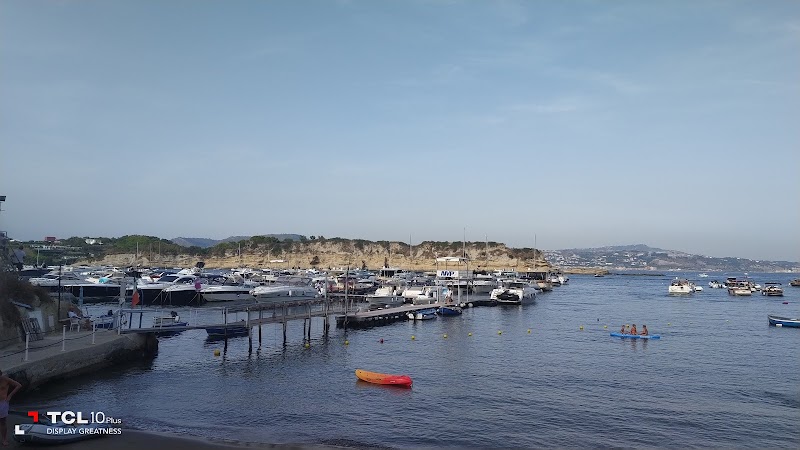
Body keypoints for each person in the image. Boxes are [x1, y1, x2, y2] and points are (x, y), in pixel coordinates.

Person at [0, 369, 22, 446]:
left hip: (3, 402)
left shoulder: (5, 379)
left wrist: (10, 395)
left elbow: (18, 385)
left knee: (2, 421)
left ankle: (4, 439)